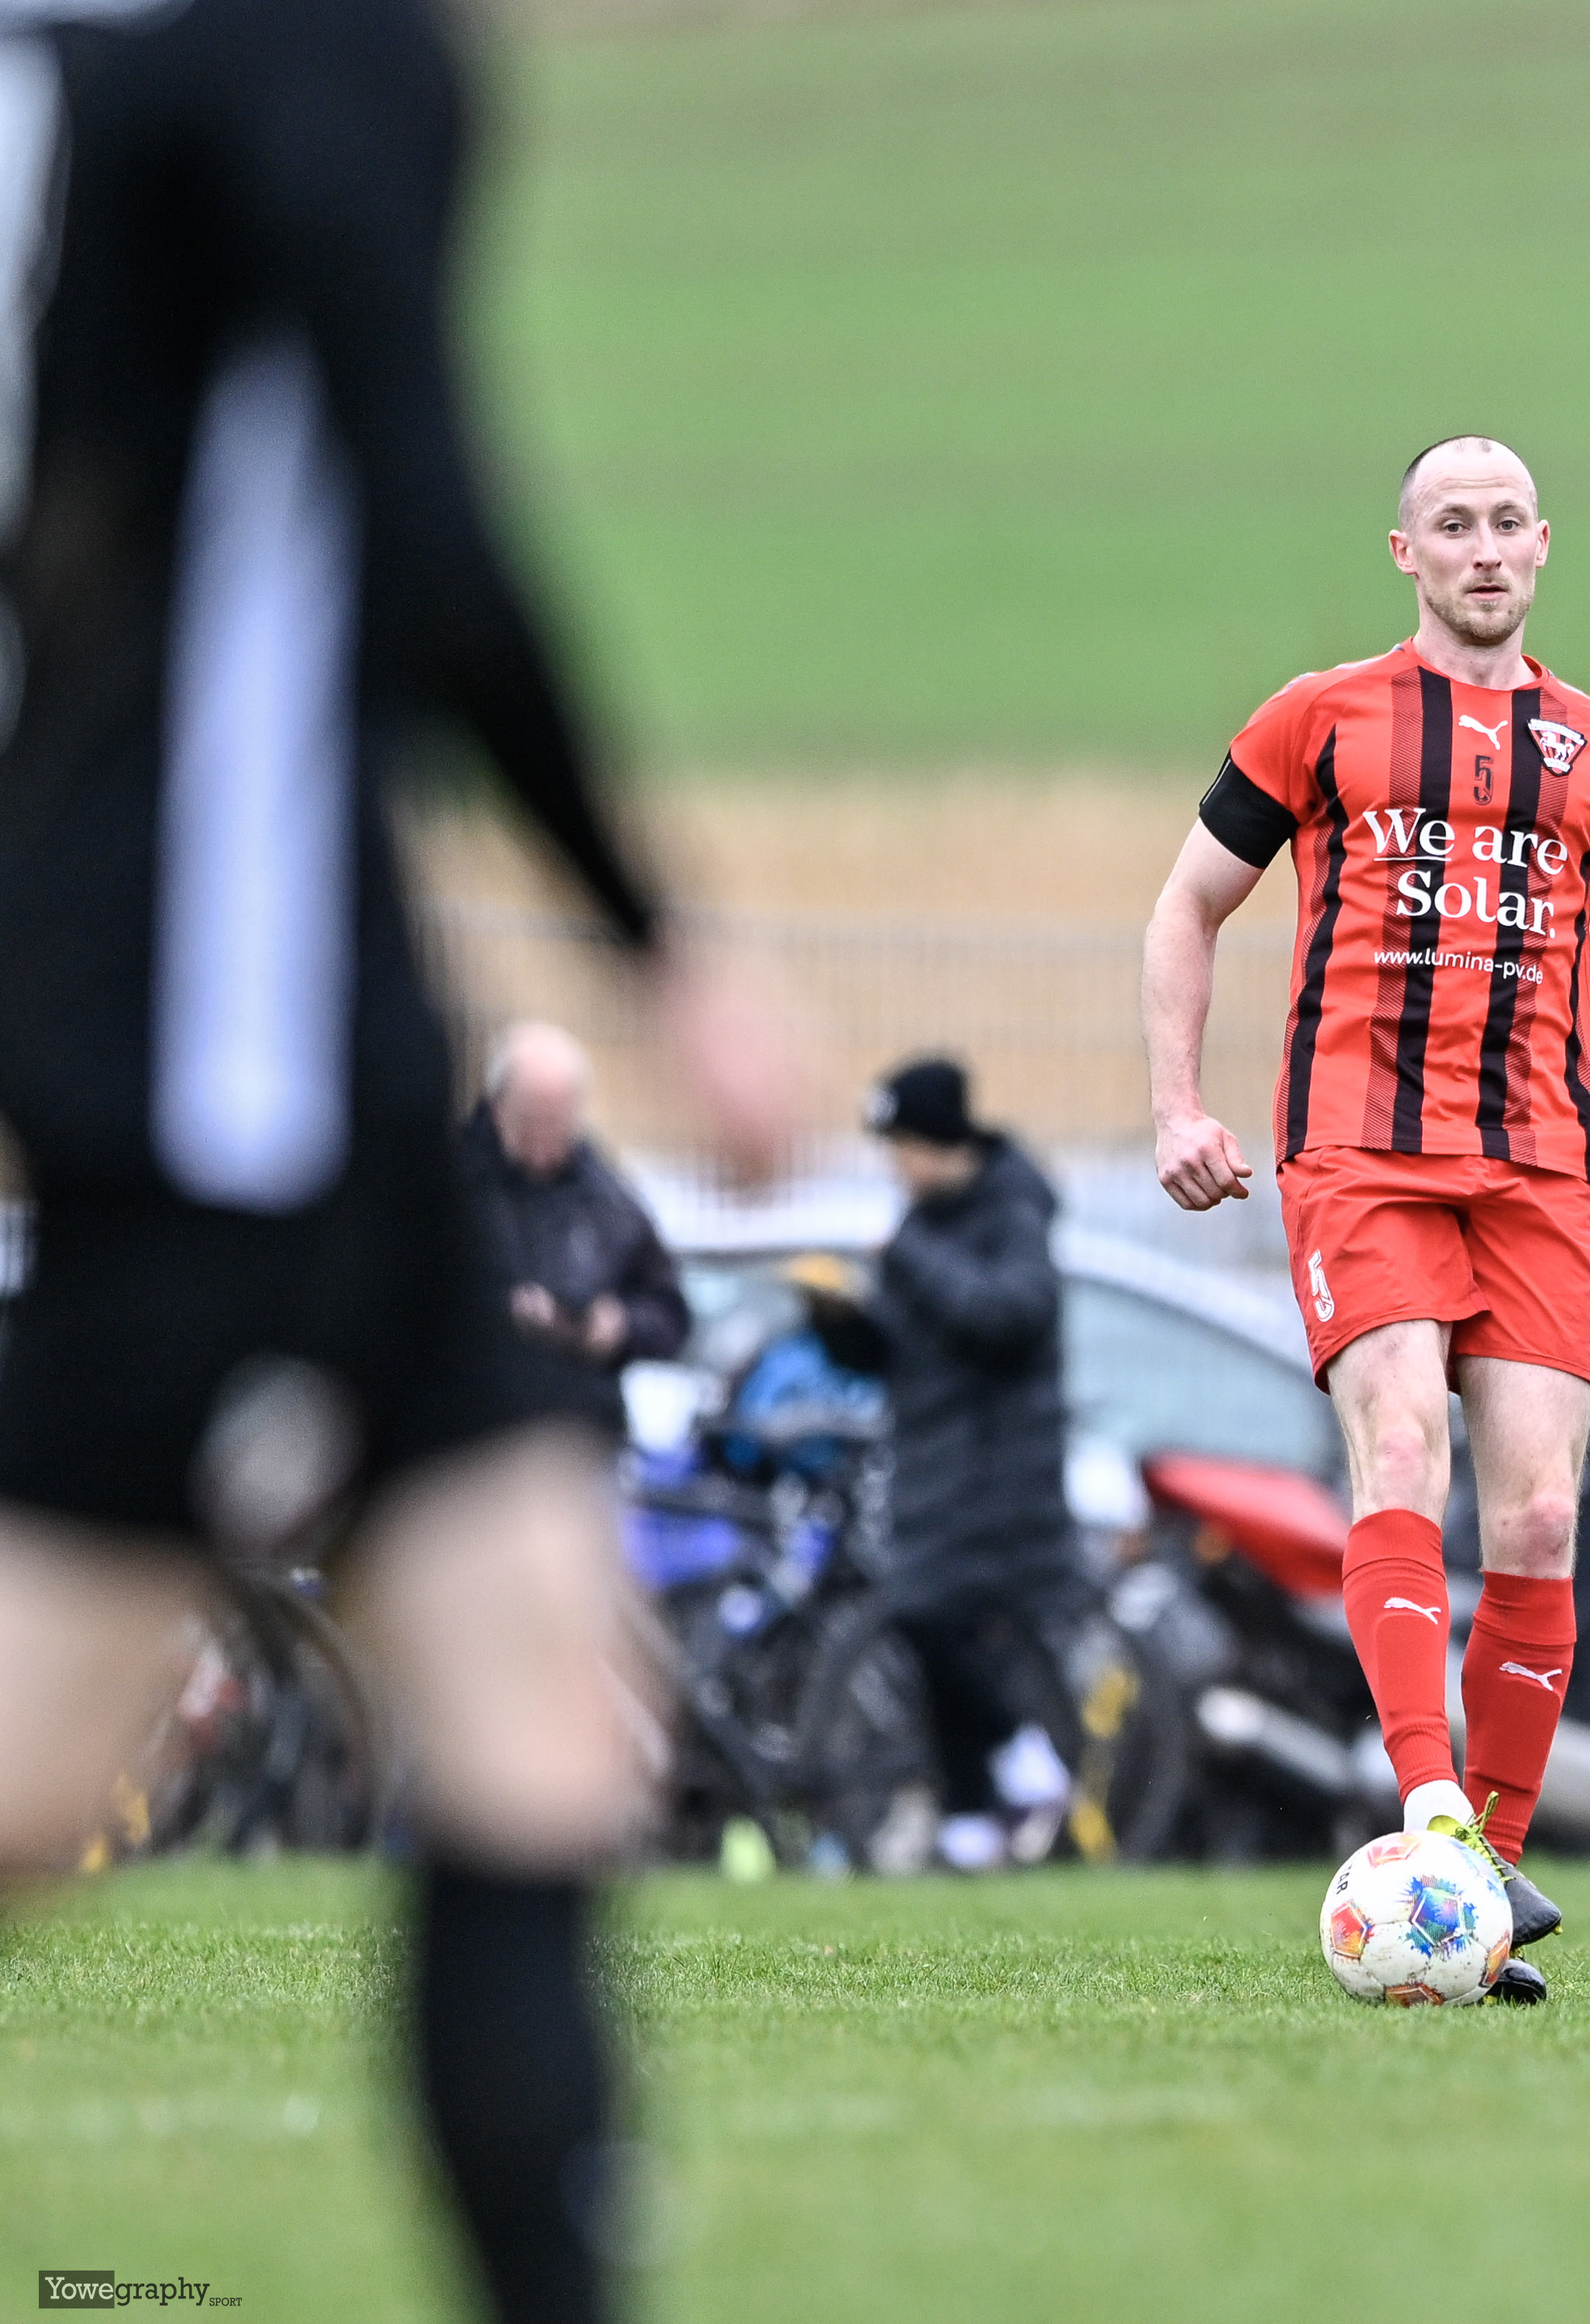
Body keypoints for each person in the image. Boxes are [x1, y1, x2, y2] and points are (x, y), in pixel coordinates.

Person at [0, 8, 792, 2324]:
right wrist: (664, 943)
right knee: (36, 1780)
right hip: (212, 1059)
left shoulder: (97, 68)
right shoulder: (311, 59)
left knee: (543, 1714)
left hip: (296, 1040)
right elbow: (426, 509)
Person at [1142, 435, 1590, 2003]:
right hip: (1361, 1155)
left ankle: (1486, 1876)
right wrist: (1178, 1105)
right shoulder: (1317, 717)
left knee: (1538, 1519)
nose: (1482, 547)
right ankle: (1432, 1803)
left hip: (1540, 1169)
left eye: (1505, 521)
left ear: (1543, 544)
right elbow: (1188, 904)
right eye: (1451, 524)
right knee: (1399, 1447)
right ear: (1405, 552)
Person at [804, 1057, 1084, 1874]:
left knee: (925, 1613)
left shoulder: (1012, 1208)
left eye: (901, 1146)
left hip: (997, 1471)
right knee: (930, 1634)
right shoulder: (921, 1223)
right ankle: (970, 1817)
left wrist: (906, 1257)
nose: (893, 1166)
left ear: (936, 1141)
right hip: (932, 1461)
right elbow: (896, 1348)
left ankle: (1023, 1757)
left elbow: (1010, 1313)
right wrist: (838, 1322)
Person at [458, 1021, 691, 1445]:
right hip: (474, 1434)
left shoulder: (607, 1199)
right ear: (498, 1107)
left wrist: (619, 1326)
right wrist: (495, 1316)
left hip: (583, 1429)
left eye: (557, 1121)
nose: (545, 1138)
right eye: (532, 1119)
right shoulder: (448, 1186)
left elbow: (670, 1313)